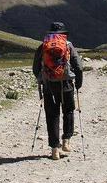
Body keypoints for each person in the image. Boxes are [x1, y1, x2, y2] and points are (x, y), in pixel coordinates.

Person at [33, 22, 83, 160]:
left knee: (52, 115)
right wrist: (78, 83)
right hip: (66, 84)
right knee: (68, 111)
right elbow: (78, 66)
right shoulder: (68, 45)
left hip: (49, 86)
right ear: (63, 34)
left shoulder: (43, 46)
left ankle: (55, 149)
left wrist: (42, 79)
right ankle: (66, 141)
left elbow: (35, 67)